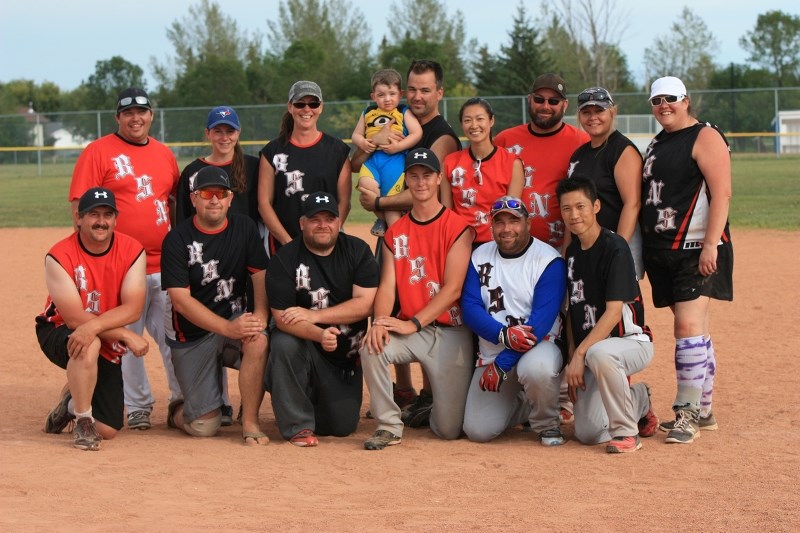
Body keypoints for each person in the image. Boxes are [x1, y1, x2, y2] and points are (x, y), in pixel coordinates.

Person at [355, 59, 462, 424]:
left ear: (439, 93)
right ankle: (403, 388)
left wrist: (380, 202)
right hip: (395, 231)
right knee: (390, 297)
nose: (417, 96)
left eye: (425, 90)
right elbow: (358, 160)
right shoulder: (393, 113)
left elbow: (426, 191)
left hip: (428, 232)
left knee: (425, 300)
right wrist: (372, 145)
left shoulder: (441, 135)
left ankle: (431, 393)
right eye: (412, 89)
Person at [69, 87, 181, 430]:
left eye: (142, 112)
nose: (136, 118)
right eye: (128, 113)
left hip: (164, 265)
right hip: (121, 267)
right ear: (118, 117)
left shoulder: (164, 154)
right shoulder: (98, 152)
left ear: (151, 116)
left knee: (172, 338)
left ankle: (180, 399)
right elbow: (79, 207)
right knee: (124, 339)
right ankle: (138, 405)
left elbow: (172, 203)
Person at [360, 147, 474, 450]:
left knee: (449, 430)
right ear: (406, 181)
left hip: (451, 332)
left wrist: (413, 322)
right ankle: (389, 425)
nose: (420, 181)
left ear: (438, 179)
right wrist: (381, 323)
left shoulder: (457, 227)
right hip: (413, 332)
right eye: (414, 176)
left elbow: (453, 289)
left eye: (427, 175)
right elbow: (387, 286)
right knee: (372, 346)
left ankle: (430, 409)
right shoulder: (395, 232)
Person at [641, 76, 733, 444]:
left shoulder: (704, 136)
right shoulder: (658, 142)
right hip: (665, 249)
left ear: (686, 101)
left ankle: (688, 413)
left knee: (687, 328)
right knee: (695, 329)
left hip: (696, 247)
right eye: (657, 100)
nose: (664, 105)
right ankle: (705, 409)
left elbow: (722, 192)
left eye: (671, 99)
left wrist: (712, 243)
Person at [161, 167, 270, 445]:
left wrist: (258, 315)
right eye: (206, 194)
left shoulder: (244, 227)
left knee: (258, 340)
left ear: (230, 198)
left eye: (220, 194)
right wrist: (227, 327)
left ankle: (250, 422)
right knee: (203, 427)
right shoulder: (177, 240)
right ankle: (178, 410)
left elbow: (259, 275)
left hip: (233, 320)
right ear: (194, 199)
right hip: (192, 334)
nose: (214, 200)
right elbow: (181, 302)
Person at [38, 188, 148, 450]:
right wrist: (123, 333)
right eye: (93, 215)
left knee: (108, 429)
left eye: (108, 214)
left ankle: (71, 404)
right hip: (58, 329)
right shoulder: (59, 255)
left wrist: (101, 327)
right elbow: (75, 318)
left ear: (115, 219)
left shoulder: (132, 250)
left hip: (103, 329)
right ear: (79, 218)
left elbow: (133, 309)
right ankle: (84, 422)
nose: (101, 221)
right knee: (89, 342)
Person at [266, 192, 379, 447]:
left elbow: (365, 304)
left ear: (339, 222)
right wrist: (319, 333)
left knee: (341, 427)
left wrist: (315, 316)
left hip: (344, 359)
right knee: (283, 342)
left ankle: (296, 394)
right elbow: (282, 319)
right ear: (302, 223)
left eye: (329, 218)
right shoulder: (285, 259)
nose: (322, 225)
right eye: (314, 219)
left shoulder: (357, 251)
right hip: (306, 347)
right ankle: (297, 425)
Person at [557, 176, 659, 453]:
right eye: (567, 209)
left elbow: (614, 313)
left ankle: (627, 434)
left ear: (596, 206)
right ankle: (639, 399)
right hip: (592, 352)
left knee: (599, 353)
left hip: (630, 343)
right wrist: (571, 355)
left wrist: (580, 355)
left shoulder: (615, 247)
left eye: (580, 206)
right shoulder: (572, 253)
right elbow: (571, 313)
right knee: (588, 433)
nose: (574, 215)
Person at [177, 105, 260, 425]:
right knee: (209, 322)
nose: (224, 136)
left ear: (239, 134)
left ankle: (247, 405)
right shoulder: (192, 173)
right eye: (218, 130)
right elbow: (184, 224)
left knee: (253, 331)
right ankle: (217, 402)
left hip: (244, 260)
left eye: (230, 130)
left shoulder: (252, 166)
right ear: (207, 134)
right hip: (206, 263)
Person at [460, 196, 567, 445]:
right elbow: (470, 307)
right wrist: (503, 336)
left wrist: (503, 364)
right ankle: (524, 405)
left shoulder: (549, 260)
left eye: (514, 221)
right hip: (492, 353)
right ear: (492, 226)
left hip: (540, 346)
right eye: (500, 222)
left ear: (528, 224)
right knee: (478, 431)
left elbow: (539, 325)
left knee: (536, 368)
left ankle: (547, 423)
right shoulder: (479, 255)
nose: (507, 229)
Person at [494, 73, 590, 250]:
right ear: (530, 100)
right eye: (539, 99)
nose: (545, 106)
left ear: (565, 105)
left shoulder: (581, 141)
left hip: (563, 246)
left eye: (553, 101)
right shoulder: (505, 140)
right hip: (512, 245)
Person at [258, 80, 351, 256]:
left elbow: (344, 202)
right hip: (283, 244)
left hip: (327, 244)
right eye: (300, 103)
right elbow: (264, 204)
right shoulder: (272, 152)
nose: (307, 109)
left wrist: (327, 237)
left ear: (321, 107)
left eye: (313, 103)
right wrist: (288, 244)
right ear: (290, 107)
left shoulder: (337, 150)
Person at [568, 87, 644, 279]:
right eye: (586, 112)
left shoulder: (622, 150)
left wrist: (617, 250)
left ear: (613, 111)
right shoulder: (579, 154)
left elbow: (632, 204)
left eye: (599, 111)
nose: (593, 117)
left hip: (615, 243)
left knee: (617, 306)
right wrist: (567, 249)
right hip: (585, 245)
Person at [442, 98, 524, 246]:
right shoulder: (450, 163)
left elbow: (511, 215)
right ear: (461, 124)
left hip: (497, 244)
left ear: (491, 121)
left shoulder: (512, 163)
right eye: (467, 120)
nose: (474, 125)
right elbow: (446, 213)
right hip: (460, 242)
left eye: (480, 119)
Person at [352, 68, 422, 237]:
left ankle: (398, 240)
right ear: (373, 96)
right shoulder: (368, 112)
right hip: (373, 161)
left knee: (391, 208)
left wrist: (398, 147)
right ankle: (381, 219)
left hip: (394, 162)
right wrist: (363, 142)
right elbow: (355, 135)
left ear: (400, 94)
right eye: (381, 95)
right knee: (366, 187)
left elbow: (417, 133)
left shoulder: (403, 112)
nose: (387, 99)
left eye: (392, 94)